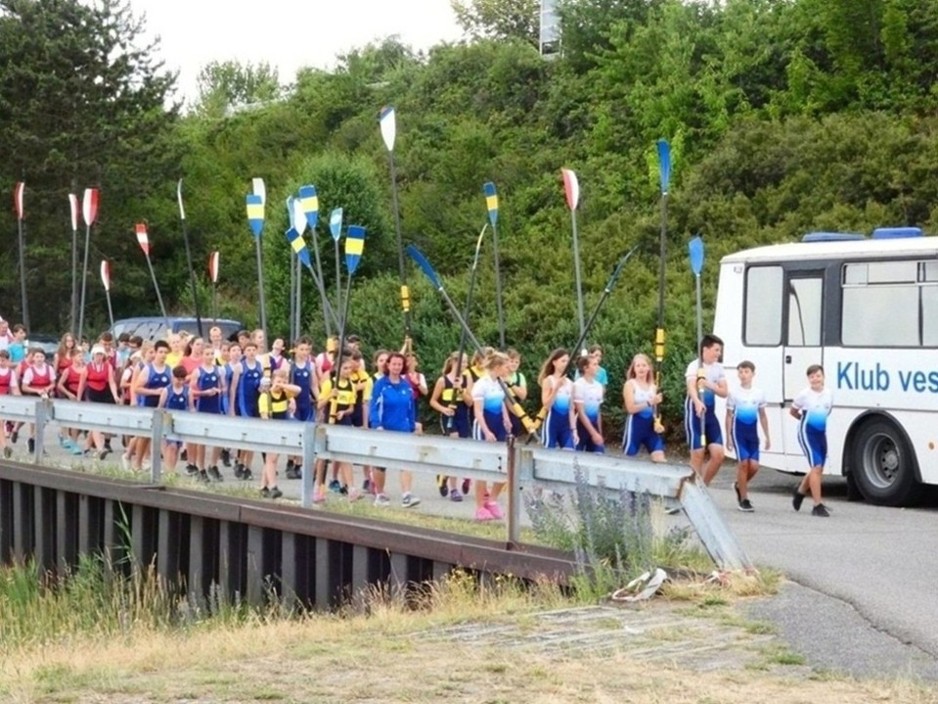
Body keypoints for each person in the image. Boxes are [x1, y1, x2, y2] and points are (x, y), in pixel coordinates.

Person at [369, 352, 420, 508]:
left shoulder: (406, 386)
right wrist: (377, 425)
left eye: (399, 364)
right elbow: (374, 406)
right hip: (384, 429)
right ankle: (380, 494)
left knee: (405, 462)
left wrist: (412, 426)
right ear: (388, 365)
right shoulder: (381, 384)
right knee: (381, 464)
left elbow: (410, 408)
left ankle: (407, 495)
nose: (397, 367)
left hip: (403, 429)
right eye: (394, 364)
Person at [471, 350, 512, 521]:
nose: (509, 369)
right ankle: (479, 507)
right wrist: (486, 431)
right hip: (484, 425)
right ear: (497, 367)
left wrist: (506, 418)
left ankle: (492, 500)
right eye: (506, 366)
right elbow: (478, 411)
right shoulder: (481, 384)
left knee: (504, 464)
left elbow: (501, 402)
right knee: (482, 467)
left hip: (499, 424)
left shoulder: (500, 382)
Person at [724, 360, 770, 512]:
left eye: (746, 372)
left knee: (754, 466)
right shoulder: (734, 393)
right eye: (741, 372)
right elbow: (729, 415)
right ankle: (744, 499)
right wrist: (728, 437)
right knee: (743, 464)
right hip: (739, 433)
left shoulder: (759, 393)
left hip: (752, 434)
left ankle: (739, 485)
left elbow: (762, 415)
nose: (743, 375)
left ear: (753, 374)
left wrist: (767, 435)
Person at [684, 333, 728, 485]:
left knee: (718, 454)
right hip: (695, 413)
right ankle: (692, 487)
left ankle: (703, 485)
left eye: (719, 350)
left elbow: (724, 392)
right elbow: (691, 387)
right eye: (716, 350)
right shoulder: (695, 365)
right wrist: (697, 402)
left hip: (710, 414)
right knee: (698, 453)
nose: (718, 354)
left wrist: (709, 384)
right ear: (705, 349)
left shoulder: (718, 368)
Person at [790, 364, 833, 517]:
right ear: (808, 379)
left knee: (819, 468)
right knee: (816, 466)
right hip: (807, 433)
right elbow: (793, 411)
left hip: (820, 433)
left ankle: (800, 491)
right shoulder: (804, 395)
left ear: (823, 377)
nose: (815, 379)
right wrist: (803, 421)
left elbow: (827, 411)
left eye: (818, 376)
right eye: (812, 377)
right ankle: (817, 504)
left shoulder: (828, 394)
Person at [428, 351, 468, 500]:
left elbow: (470, 402)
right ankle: (454, 489)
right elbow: (433, 401)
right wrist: (444, 409)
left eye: (466, 362)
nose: (464, 365)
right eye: (462, 362)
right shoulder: (443, 380)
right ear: (453, 363)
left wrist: (461, 390)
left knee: (462, 449)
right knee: (454, 449)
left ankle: (443, 474)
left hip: (463, 416)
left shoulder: (466, 379)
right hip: (449, 417)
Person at [257, 369, 300, 500]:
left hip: (281, 429)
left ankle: (263, 486)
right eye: (277, 381)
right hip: (270, 430)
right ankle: (273, 486)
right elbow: (264, 416)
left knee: (272, 459)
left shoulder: (284, 393)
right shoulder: (265, 396)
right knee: (271, 458)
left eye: (283, 381)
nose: (280, 384)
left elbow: (298, 390)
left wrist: (283, 385)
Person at [190, 344, 225, 482]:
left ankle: (213, 464)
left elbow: (224, 387)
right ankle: (201, 467)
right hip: (202, 406)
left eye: (211, 354)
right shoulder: (198, 371)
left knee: (218, 437)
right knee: (201, 440)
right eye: (207, 354)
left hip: (215, 406)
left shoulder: (219, 370)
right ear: (202, 355)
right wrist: (204, 393)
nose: (210, 357)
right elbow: (192, 391)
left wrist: (219, 390)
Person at [622, 353, 665, 462]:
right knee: (629, 461)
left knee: (660, 458)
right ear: (634, 369)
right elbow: (630, 408)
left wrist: (658, 423)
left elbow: (656, 411)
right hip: (635, 427)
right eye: (638, 366)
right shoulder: (630, 384)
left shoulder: (654, 387)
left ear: (648, 368)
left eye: (644, 365)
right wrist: (649, 402)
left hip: (650, 428)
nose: (641, 368)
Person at [537, 348, 575, 450]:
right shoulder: (548, 381)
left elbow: (571, 408)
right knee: (549, 453)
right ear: (554, 362)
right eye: (563, 361)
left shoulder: (570, 384)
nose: (565, 364)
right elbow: (546, 405)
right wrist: (556, 388)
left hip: (565, 426)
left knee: (570, 452)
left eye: (567, 361)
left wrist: (574, 429)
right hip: (551, 424)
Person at [158, 365, 190, 473]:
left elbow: (191, 407)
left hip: (181, 421)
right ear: (173, 377)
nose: (180, 382)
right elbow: (160, 406)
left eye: (182, 380)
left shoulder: (187, 391)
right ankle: (169, 470)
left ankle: (171, 470)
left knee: (177, 448)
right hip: (168, 420)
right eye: (178, 379)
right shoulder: (167, 390)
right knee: (171, 446)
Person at [573, 354, 605, 453]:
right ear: (586, 368)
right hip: (580, 427)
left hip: (594, 425)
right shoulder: (578, 385)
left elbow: (598, 411)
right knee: (576, 457)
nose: (597, 367)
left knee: (599, 454)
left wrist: (599, 432)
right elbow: (581, 412)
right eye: (594, 364)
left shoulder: (599, 386)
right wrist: (593, 433)